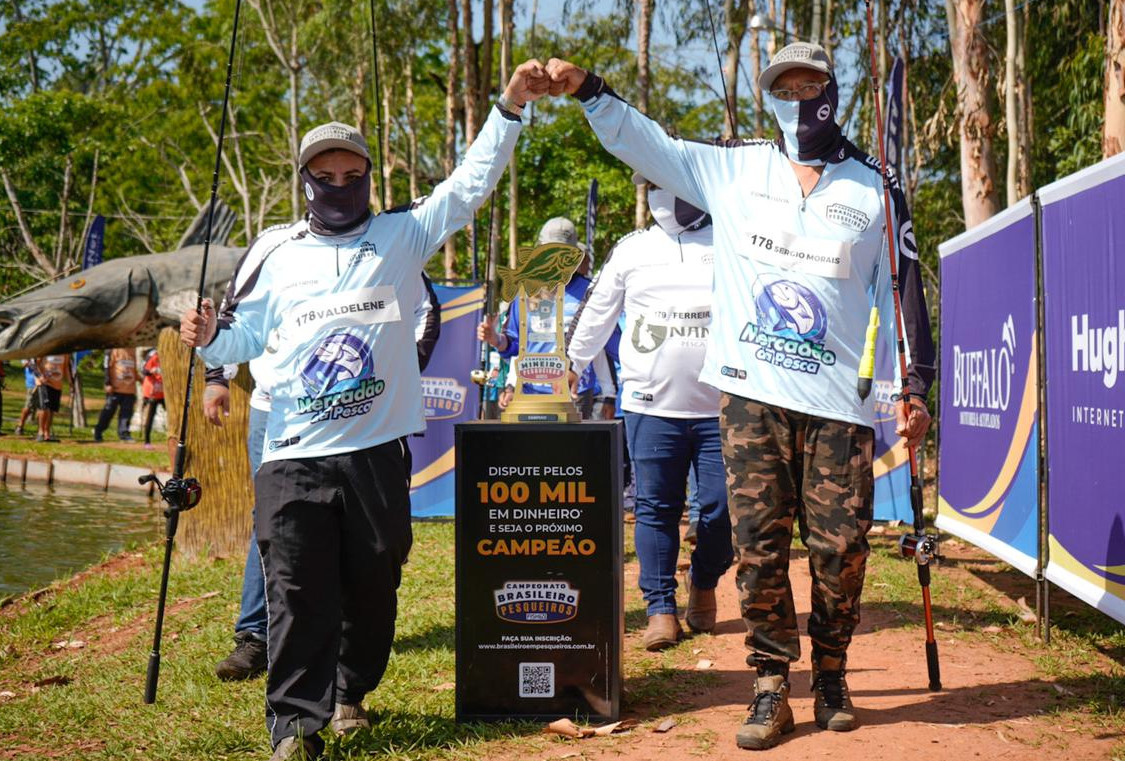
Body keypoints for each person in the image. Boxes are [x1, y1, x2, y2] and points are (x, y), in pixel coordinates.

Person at [544, 42, 935, 749]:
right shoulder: (732, 167)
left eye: (808, 82)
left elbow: (903, 286)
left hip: (838, 403)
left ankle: (832, 674)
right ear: (767, 95)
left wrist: (914, 386)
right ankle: (767, 687)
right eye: (781, 85)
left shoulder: (874, 187)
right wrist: (590, 90)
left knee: (841, 548)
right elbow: (647, 142)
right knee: (758, 546)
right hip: (751, 396)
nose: (796, 95)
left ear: (830, 90)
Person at [180, 60, 548, 761]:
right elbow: (241, 336)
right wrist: (209, 344)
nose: (340, 184)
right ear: (306, 180)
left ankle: (350, 691)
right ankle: (295, 723)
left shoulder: (402, 234)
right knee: (295, 585)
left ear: (369, 177)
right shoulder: (274, 250)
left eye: (353, 173)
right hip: (290, 451)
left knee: (375, 580)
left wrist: (508, 106)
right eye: (327, 173)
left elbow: (469, 185)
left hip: (376, 450)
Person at [208, 273, 441, 684]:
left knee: (361, 526)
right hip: (279, 409)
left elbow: (425, 311)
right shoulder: (276, 248)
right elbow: (235, 316)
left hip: (360, 409)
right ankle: (256, 636)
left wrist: (406, 364)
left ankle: (345, 650)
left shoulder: (385, 247)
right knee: (273, 520)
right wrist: (216, 377)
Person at [567, 181, 732, 651]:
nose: (663, 194)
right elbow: (596, 312)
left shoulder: (730, 239)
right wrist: (570, 364)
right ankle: (660, 609)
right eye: (652, 183)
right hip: (649, 405)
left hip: (720, 407)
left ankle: (703, 582)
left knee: (723, 510)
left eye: (671, 181)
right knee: (655, 509)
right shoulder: (631, 249)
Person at [476, 217, 618, 419]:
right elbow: (516, 345)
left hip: (576, 393)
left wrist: (609, 395)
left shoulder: (591, 292)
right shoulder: (525, 291)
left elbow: (602, 345)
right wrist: (495, 339)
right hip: (530, 393)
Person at [93, 348, 138, 442]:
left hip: (129, 389)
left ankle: (124, 433)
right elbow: (106, 367)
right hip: (115, 389)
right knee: (108, 411)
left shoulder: (133, 351)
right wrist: (107, 383)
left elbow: (134, 369)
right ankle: (98, 431)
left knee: (126, 413)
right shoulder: (112, 350)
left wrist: (142, 379)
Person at [33, 354, 71, 442]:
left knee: (51, 409)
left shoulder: (66, 352)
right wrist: (40, 376)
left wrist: (70, 383)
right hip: (45, 383)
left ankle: (47, 433)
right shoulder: (47, 347)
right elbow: (36, 363)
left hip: (57, 385)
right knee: (44, 407)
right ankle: (40, 432)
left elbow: (66, 368)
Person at [140, 350, 164, 449]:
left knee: (174, 415)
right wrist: (152, 371)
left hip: (164, 392)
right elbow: (144, 370)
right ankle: (147, 441)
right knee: (150, 416)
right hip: (151, 391)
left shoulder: (171, 353)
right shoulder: (153, 354)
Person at [14, 359, 38, 436]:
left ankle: (41, 429)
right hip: (32, 383)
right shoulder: (28, 353)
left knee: (42, 407)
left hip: (44, 381)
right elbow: (24, 364)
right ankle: (20, 426)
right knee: (28, 405)